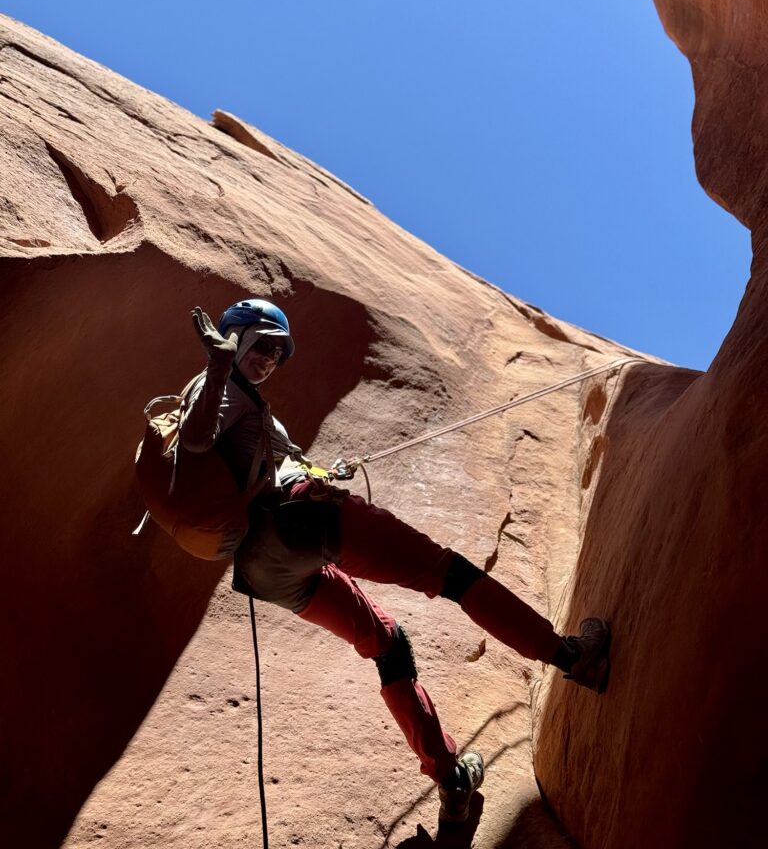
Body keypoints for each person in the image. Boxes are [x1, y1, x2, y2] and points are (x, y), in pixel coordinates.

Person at [179, 298, 611, 826]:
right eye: (260, 343)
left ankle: (451, 779)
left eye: (277, 351)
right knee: (448, 573)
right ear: (234, 336)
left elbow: (257, 459)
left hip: (263, 568)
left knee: (387, 642)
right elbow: (196, 441)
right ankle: (572, 657)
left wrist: (320, 467)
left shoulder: (244, 401)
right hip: (301, 521)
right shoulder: (217, 386)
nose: (269, 357)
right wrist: (219, 363)